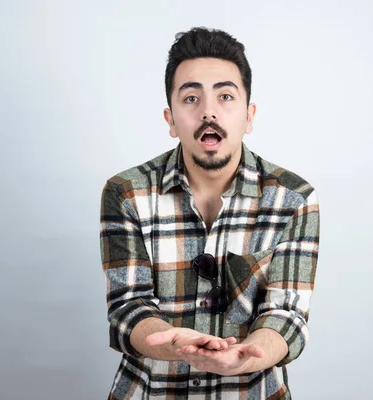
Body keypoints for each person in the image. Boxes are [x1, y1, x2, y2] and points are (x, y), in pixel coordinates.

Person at [99, 27, 320, 399]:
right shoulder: (126, 194)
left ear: (249, 115)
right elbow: (127, 306)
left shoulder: (293, 199)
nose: (209, 112)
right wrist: (171, 342)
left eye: (225, 96)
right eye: (191, 98)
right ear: (170, 119)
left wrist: (249, 356)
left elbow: (287, 315)